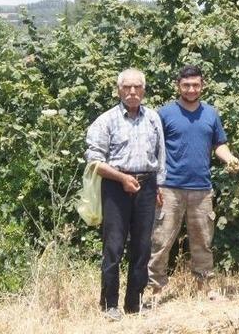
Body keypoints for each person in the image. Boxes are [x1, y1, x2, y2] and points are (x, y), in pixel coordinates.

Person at [148, 65, 239, 298]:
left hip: (202, 188)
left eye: (195, 85)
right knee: (160, 241)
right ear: (178, 86)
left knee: (203, 241)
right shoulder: (164, 114)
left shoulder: (210, 114)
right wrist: (155, 183)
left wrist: (229, 158)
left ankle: (204, 288)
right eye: (186, 85)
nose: (191, 89)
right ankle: (155, 289)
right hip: (169, 188)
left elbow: (219, 144)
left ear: (202, 85)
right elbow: (153, 149)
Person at [85, 68, 165, 321]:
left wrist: (159, 186)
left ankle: (134, 303)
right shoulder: (106, 120)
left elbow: (160, 156)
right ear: (119, 90)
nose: (132, 92)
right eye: (127, 87)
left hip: (147, 186)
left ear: (144, 90)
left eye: (137, 87)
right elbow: (94, 162)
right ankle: (109, 304)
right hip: (116, 187)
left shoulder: (153, 118)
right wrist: (122, 179)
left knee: (142, 247)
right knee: (114, 247)